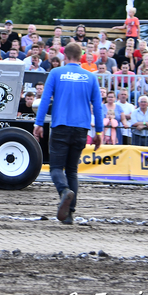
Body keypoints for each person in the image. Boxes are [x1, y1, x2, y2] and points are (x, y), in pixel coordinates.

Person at [34, 42, 103, 225]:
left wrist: (39, 123)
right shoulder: (90, 77)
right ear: (81, 57)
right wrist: (100, 132)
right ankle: (70, 214)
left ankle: (64, 191)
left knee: (56, 168)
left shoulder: (56, 73)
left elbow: (44, 100)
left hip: (61, 125)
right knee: (72, 170)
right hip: (81, 128)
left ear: (65, 57)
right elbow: (97, 106)